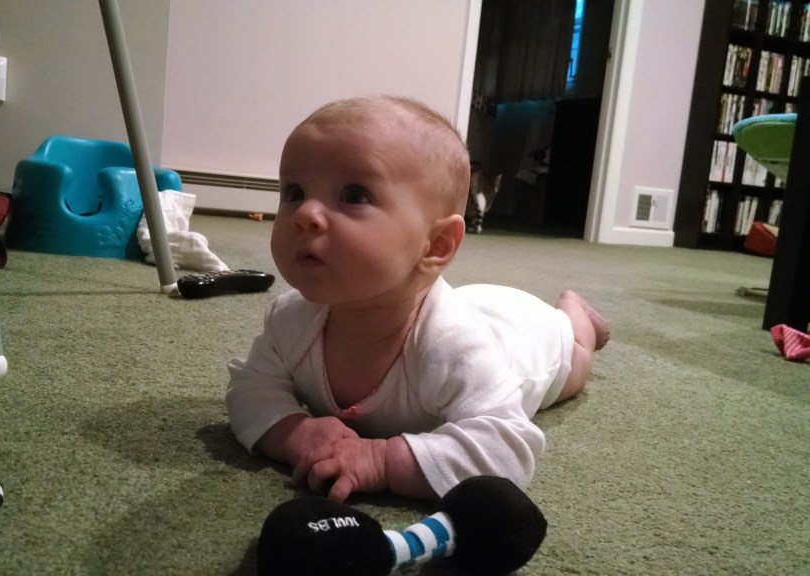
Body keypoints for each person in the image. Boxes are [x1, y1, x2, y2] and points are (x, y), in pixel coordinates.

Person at [226, 95, 609, 503]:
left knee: (575, 364)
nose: (307, 214)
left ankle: (574, 312)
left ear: (436, 244)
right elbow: (251, 386)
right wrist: (293, 432)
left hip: (528, 335)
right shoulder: (290, 321)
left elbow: (506, 448)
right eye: (295, 192)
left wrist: (383, 460)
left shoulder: (456, 348)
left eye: (354, 195)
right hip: (469, 302)